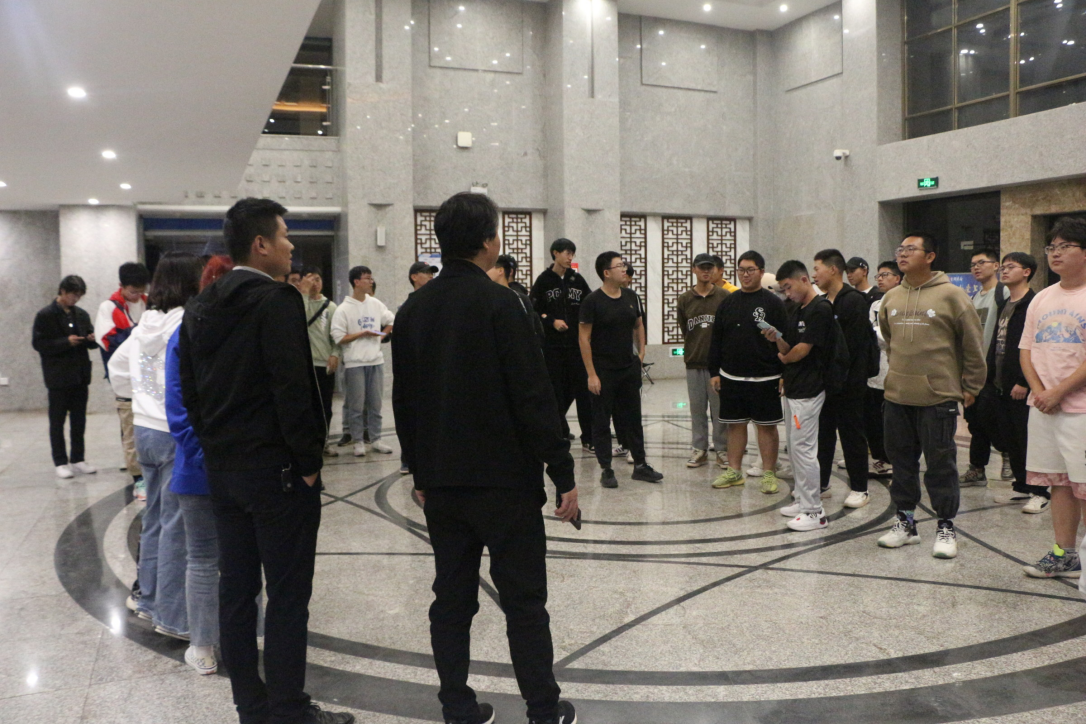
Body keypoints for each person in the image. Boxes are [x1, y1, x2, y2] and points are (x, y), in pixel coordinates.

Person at [392, 191, 579, 724]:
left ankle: (457, 706)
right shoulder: (504, 304)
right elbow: (533, 395)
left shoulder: (412, 309)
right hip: (506, 483)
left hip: (442, 483)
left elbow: (404, 400)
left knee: (451, 599)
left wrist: (419, 470)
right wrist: (562, 471)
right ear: (489, 241)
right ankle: (543, 709)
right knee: (523, 600)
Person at [178, 198, 352, 724]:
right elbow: (292, 389)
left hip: (225, 472)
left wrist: (215, 447)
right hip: (277, 474)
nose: (291, 245)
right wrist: (309, 463)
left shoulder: (201, 305)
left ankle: (250, 707)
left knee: (236, 590)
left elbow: (190, 390)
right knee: (288, 594)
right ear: (260, 244)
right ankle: (289, 709)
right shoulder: (275, 301)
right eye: (284, 235)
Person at [109, 253, 204, 644]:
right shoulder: (184, 322)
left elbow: (117, 369)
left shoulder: (145, 323)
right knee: (176, 526)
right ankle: (173, 616)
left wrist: (141, 398)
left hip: (145, 429)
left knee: (154, 519)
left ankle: (147, 599)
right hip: (172, 431)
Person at [877, 233, 985, 560]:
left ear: (930, 256)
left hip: (938, 397)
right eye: (900, 249)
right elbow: (889, 340)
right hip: (897, 396)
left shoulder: (952, 295)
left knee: (940, 465)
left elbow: (973, 344)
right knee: (901, 463)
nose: (903, 254)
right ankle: (906, 523)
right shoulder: (892, 296)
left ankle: (946, 526)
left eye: (911, 249)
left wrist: (971, 386)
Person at [1020, 218, 1086, 579]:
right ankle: (1065, 553)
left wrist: (1059, 391)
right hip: (1044, 407)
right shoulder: (1042, 298)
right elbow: (1026, 350)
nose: (1055, 253)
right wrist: (1041, 392)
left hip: (1080, 409)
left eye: (1065, 246)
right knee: (1059, 483)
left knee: (1084, 486)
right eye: (1051, 247)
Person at [579, 252, 663, 488]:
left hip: (628, 368)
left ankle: (641, 465)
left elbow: (638, 324)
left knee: (633, 418)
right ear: (606, 273)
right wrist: (591, 374)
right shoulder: (592, 301)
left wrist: (641, 353)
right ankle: (606, 469)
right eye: (619, 265)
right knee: (601, 420)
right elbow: (584, 338)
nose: (624, 269)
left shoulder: (631, 296)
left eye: (624, 265)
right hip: (603, 370)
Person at [707, 251, 788, 494]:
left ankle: (769, 473)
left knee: (766, 427)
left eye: (750, 269)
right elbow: (717, 339)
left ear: (761, 272)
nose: (745, 274)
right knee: (735, 425)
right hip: (731, 376)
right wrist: (714, 371)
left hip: (766, 376)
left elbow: (786, 340)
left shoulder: (774, 303)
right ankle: (734, 471)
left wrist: (784, 374)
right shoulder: (728, 302)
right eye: (741, 269)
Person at [978, 253, 1048, 514]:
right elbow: (997, 342)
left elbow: (1035, 347)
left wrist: (1023, 381)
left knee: (1026, 439)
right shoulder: (1006, 303)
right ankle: (1021, 485)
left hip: (1020, 384)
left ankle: (1039, 492)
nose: (1004, 271)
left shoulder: (1033, 303)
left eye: (1011, 267)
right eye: (1003, 267)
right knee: (1006, 435)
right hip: (998, 381)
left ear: (1027, 272)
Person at [769, 261, 834, 531]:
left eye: (788, 287)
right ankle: (801, 499)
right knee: (795, 448)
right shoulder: (797, 309)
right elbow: (789, 347)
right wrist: (776, 338)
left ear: (804, 280)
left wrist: (784, 358)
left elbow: (802, 351)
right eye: (783, 289)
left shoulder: (821, 309)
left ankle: (814, 511)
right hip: (794, 387)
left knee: (805, 450)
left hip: (810, 388)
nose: (787, 293)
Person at [812, 249, 873, 508]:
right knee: (823, 434)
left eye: (817, 269)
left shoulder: (854, 300)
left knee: (851, 435)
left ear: (833, 269)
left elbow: (852, 347)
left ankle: (860, 488)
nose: (814, 275)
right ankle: (822, 483)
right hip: (825, 383)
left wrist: (841, 377)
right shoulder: (822, 301)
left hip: (849, 383)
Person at [530, 239, 594, 450]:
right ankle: (559, 432)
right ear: (555, 253)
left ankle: (589, 437)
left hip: (576, 346)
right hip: (553, 348)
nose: (570, 257)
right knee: (556, 392)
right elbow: (534, 310)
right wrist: (551, 321)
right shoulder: (543, 281)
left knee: (583, 392)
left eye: (572, 254)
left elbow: (589, 305)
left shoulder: (577, 280)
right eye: (567, 253)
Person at [33, 275, 98, 479]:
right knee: (57, 421)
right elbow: (39, 344)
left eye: (79, 296)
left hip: (80, 375)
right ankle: (60, 462)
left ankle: (78, 458)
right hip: (58, 377)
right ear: (62, 291)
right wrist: (65, 342)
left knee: (79, 420)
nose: (75, 299)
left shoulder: (81, 314)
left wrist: (91, 339)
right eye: (73, 295)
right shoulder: (45, 315)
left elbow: (91, 341)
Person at [96, 261, 150, 495]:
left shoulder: (149, 303)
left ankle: (148, 467)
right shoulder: (109, 308)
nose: (137, 296)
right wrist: (138, 334)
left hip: (149, 375)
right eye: (133, 291)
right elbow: (108, 340)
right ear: (121, 286)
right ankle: (137, 476)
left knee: (150, 424)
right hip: (125, 378)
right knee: (129, 426)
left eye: (141, 291)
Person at [960, 248, 1013, 488]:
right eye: (973, 264)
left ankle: (1007, 452)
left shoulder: (1003, 293)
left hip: (994, 369)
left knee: (990, 416)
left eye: (981, 262)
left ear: (995, 266)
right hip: (974, 369)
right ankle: (977, 468)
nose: (976, 267)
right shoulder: (973, 298)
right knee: (974, 421)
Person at [330, 266, 394, 458]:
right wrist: (362, 333)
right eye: (367, 278)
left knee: (375, 404)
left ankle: (376, 439)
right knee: (356, 406)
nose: (371, 281)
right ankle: (357, 440)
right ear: (356, 282)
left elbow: (391, 320)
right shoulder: (343, 309)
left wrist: (381, 336)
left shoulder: (375, 303)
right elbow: (338, 337)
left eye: (371, 278)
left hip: (375, 361)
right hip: (354, 363)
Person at [676, 253, 730, 468]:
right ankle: (699, 449)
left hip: (718, 366)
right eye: (702, 267)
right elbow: (685, 329)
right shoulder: (685, 299)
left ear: (714, 270)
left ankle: (722, 450)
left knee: (720, 411)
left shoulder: (724, 296)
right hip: (694, 362)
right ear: (694, 269)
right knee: (697, 410)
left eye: (709, 267)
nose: (706, 271)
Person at [299, 266, 341, 457]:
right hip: (304, 365)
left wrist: (335, 353)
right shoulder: (299, 303)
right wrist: (304, 294)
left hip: (324, 364)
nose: (315, 283)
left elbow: (336, 335)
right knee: (305, 406)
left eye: (317, 279)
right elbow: (300, 320)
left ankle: (323, 442)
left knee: (324, 406)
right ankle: (307, 443)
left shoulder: (331, 307)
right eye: (310, 279)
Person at [865, 261, 901, 478]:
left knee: (893, 420)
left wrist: (879, 334)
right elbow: (871, 332)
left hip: (896, 368)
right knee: (873, 418)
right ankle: (880, 457)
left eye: (885, 274)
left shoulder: (903, 302)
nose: (880, 279)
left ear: (897, 278)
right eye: (878, 275)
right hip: (876, 368)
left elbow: (894, 337)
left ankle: (894, 459)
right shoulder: (875, 305)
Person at [490, 254, 545, 344]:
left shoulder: (516, 297)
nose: (486, 271)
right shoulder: (492, 295)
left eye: (491, 268)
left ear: (501, 271)